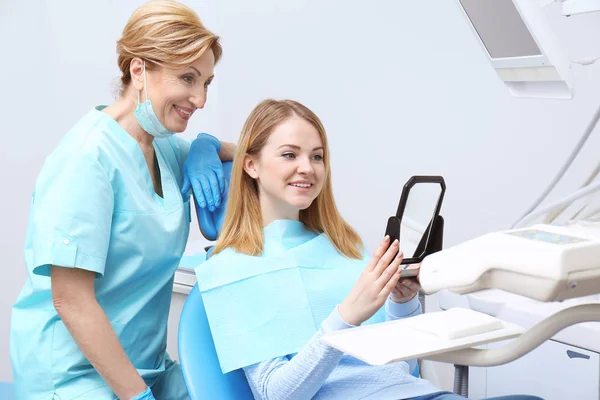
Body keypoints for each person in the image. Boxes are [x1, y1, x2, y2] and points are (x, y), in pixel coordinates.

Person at [195, 99, 543, 400]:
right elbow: (276, 393)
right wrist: (346, 316)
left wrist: (401, 302)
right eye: (289, 154)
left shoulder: (344, 248)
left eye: (317, 156)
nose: (308, 167)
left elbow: (402, 368)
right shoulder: (231, 270)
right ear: (251, 165)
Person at [10, 1, 234, 399]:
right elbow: (70, 299)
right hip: (72, 376)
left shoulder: (164, 149)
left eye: (207, 83)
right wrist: (136, 396)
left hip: (147, 365)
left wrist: (207, 145)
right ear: (139, 70)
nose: (199, 100)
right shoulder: (86, 159)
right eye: (187, 78)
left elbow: (260, 154)